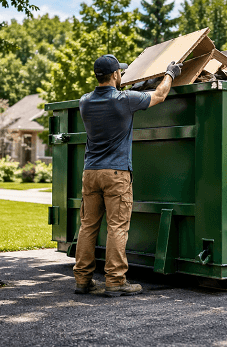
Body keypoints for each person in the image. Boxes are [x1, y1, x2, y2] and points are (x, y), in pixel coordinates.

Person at [73, 54, 182, 295]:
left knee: (88, 226)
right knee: (117, 228)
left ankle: (82, 280)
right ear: (114, 75)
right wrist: (170, 74)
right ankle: (115, 281)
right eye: (120, 72)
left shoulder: (84, 102)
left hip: (90, 172)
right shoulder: (124, 101)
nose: (121, 74)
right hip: (116, 173)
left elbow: (112, 98)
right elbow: (160, 95)